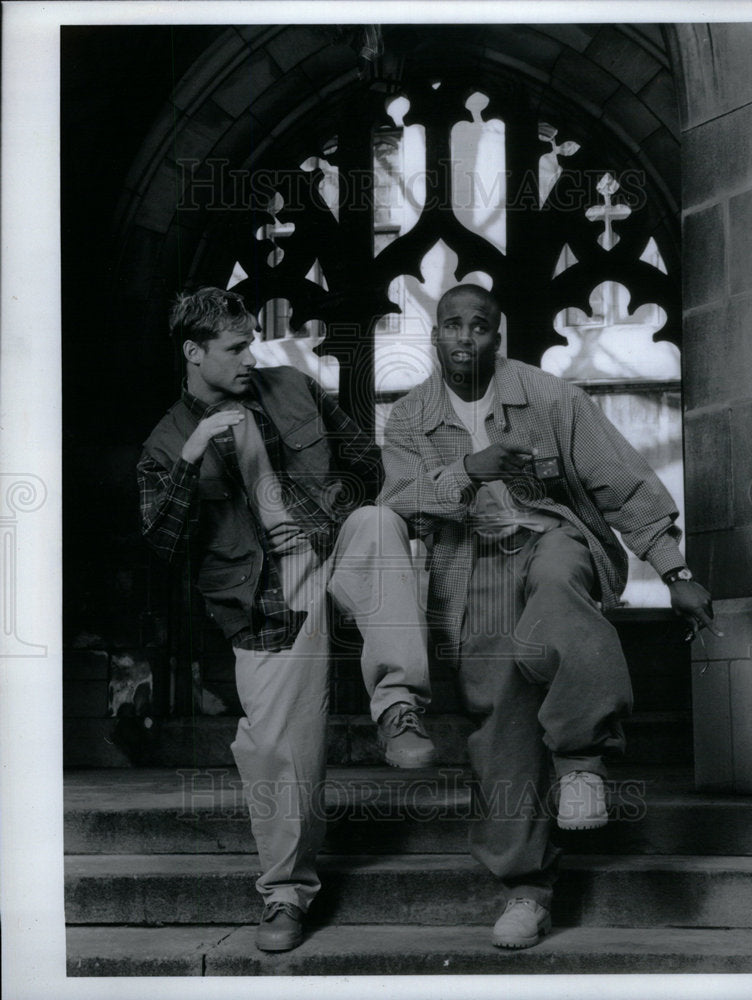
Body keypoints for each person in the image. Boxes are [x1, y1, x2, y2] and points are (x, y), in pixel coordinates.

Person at [378, 283, 721, 950]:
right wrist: (471, 470)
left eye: (479, 326)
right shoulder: (411, 419)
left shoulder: (548, 397)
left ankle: (583, 760)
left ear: (496, 335)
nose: (464, 338)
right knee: (504, 714)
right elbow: (400, 501)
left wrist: (674, 569)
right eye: (453, 325)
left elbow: (618, 480)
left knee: (560, 580)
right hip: (469, 570)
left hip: (549, 537)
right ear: (436, 334)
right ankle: (526, 891)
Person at [137, 287, 435, 953]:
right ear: (194, 352)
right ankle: (283, 895)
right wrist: (193, 457)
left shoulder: (293, 386)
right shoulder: (166, 441)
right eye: (235, 347)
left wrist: (334, 502)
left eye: (252, 343)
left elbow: (367, 466)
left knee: (380, 522)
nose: (250, 357)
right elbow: (159, 542)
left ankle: (398, 707)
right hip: (267, 596)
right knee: (276, 754)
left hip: (336, 543)